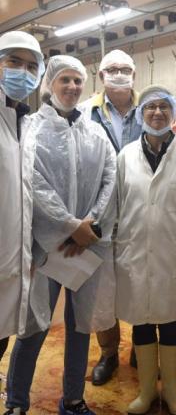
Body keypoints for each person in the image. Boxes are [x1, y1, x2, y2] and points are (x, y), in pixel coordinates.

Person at [4, 55, 116, 415]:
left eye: (77, 81)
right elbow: (33, 184)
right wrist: (71, 226)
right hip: (46, 248)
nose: (71, 87)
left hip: (85, 247)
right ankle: (18, 402)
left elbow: (110, 178)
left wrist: (91, 225)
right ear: (49, 83)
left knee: (80, 326)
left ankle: (73, 399)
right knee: (34, 327)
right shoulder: (32, 128)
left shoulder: (95, 131)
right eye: (64, 80)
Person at [115, 85, 176, 415]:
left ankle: (173, 393)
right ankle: (147, 391)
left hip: (173, 253)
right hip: (134, 252)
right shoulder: (125, 157)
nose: (157, 113)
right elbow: (117, 208)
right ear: (140, 114)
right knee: (142, 322)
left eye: (164, 107)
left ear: (173, 113)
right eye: (150, 108)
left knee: (170, 323)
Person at [79, 49, 142, 385]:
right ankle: (108, 353)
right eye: (112, 70)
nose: (119, 74)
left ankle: (141, 348)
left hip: (140, 211)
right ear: (101, 76)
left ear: (134, 73)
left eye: (125, 69)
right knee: (102, 287)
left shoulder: (150, 110)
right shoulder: (85, 112)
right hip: (99, 212)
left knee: (138, 280)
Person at [0, 31, 45, 368]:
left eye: (32, 66)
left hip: (12, 257)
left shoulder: (24, 121)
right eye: (14, 61)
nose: (23, 72)